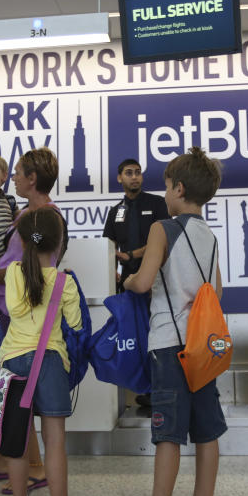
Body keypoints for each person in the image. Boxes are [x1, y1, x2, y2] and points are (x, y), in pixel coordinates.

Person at [117, 147, 227, 496]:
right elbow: (214, 290)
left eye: (166, 186)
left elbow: (144, 282)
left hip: (168, 344)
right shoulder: (210, 235)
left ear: (178, 188)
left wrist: (127, 282)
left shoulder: (163, 229)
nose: (163, 194)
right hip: (203, 347)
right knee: (207, 429)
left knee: (167, 433)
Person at [0, 148, 66, 493]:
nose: (13, 178)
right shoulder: (24, 215)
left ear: (33, 178)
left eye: (19, 172)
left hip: (23, 319)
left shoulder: (42, 219)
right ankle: (8, 459)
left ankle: (34, 465)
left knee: (20, 392)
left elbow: (40, 254)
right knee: (6, 390)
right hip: (4, 313)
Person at [0, 206, 98, 496]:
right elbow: (78, 326)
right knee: (54, 440)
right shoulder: (64, 282)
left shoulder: (13, 272)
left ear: (23, 241)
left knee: (16, 439)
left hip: (13, 362)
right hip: (51, 363)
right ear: (59, 244)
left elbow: (13, 308)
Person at [102, 158, 170, 409]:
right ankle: (146, 389)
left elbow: (162, 242)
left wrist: (132, 255)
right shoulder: (116, 211)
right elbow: (107, 248)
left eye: (138, 173)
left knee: (158, 337)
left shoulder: (157, 203)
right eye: (129, 173)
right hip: (129, 286)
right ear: (119, 178)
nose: (134, 177)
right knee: (136, 337)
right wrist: (113, 271)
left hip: (157, 283)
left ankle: (160, 392)